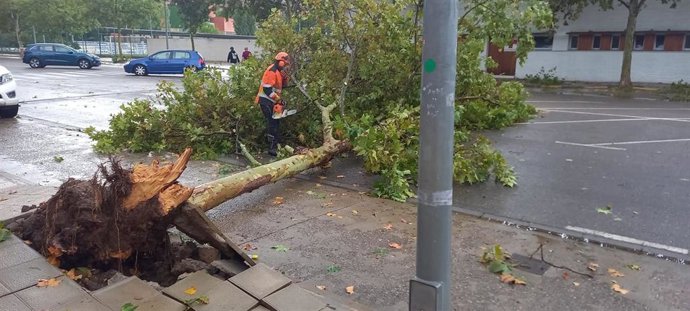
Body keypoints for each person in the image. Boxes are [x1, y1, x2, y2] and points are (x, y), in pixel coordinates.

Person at [255, 52, 290, 156]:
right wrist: (278, 99)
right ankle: (272, 147)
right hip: (265, 100)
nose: (285, 66)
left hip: (272, 101)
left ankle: (276, 143)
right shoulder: (272, 71)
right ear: (281, 62)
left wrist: (285, 79)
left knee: (276, 122)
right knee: (272, 122)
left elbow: (280, 87)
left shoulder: (279, 72)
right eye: (285, 63)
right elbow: (267, 89)